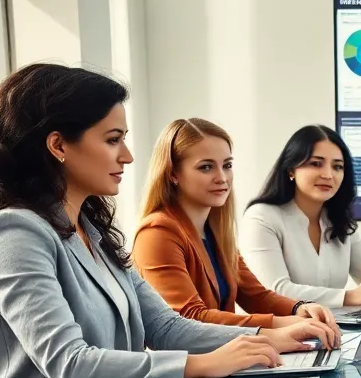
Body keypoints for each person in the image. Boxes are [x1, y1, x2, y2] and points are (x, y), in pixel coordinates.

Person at [0, 64, 328, 378]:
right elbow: (71, 366)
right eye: (113, 140)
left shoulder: (91, 231)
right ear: (58, 145)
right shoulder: (13, 233)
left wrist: (269, 339)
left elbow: (165, 327)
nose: (127, 156)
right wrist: (202, 364)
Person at [134, 117, 340, 333]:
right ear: (172, 174)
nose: (222, 178)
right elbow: (189, 317)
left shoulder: (215, 230)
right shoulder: (157, 232)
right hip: (192, 363)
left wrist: (300, 309)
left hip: (228, 357)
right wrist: (283, 325)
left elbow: (255, 295)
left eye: (227, 165)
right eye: (206, 167)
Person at [240, 125, 361, 307]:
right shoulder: (261, 217)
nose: (328, 175)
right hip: (279, 331)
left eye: (337, 167)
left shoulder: (339, 219)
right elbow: (275, 291)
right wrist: (349, 296)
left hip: (334, 328)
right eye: (316, 163)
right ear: (291, 169)